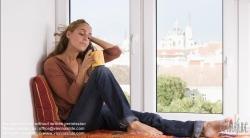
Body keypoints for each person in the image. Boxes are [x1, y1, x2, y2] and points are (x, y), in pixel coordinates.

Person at [43, 19, 232, 138]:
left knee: (148, 117)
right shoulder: (53, 64)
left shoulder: (85, 57)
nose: (85, 38)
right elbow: (71, 99)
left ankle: (201, 128)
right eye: (81, 34)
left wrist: (92, 38)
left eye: (88, 35)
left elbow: (115, 52)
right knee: (101, 71)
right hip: (75, 121)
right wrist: (85, 69)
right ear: (68, 34)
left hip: (97, 115)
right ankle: (131, 123)